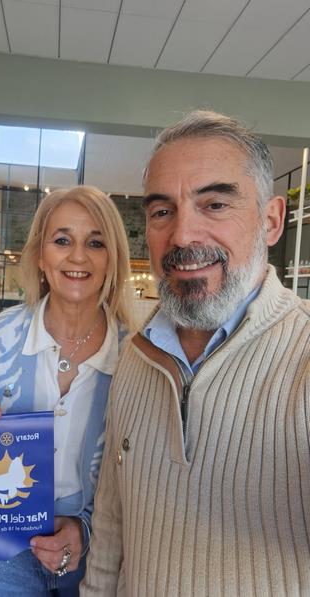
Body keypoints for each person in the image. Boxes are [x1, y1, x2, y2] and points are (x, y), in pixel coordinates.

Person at [81, 111, 310, 596]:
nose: (183, 235)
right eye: (162, 211)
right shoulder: (136, 355)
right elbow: (112, 519)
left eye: (215, 204)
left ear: (271, 221)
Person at [0, 185, 132, 596]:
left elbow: (140, 472)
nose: (78, 257)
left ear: (112, 258)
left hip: (95, 546)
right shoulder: (0, 334)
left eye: (95, 243)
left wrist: (84, 528)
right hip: (3, 543)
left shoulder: (132, 355)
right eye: (62, 241)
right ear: (41, 255)